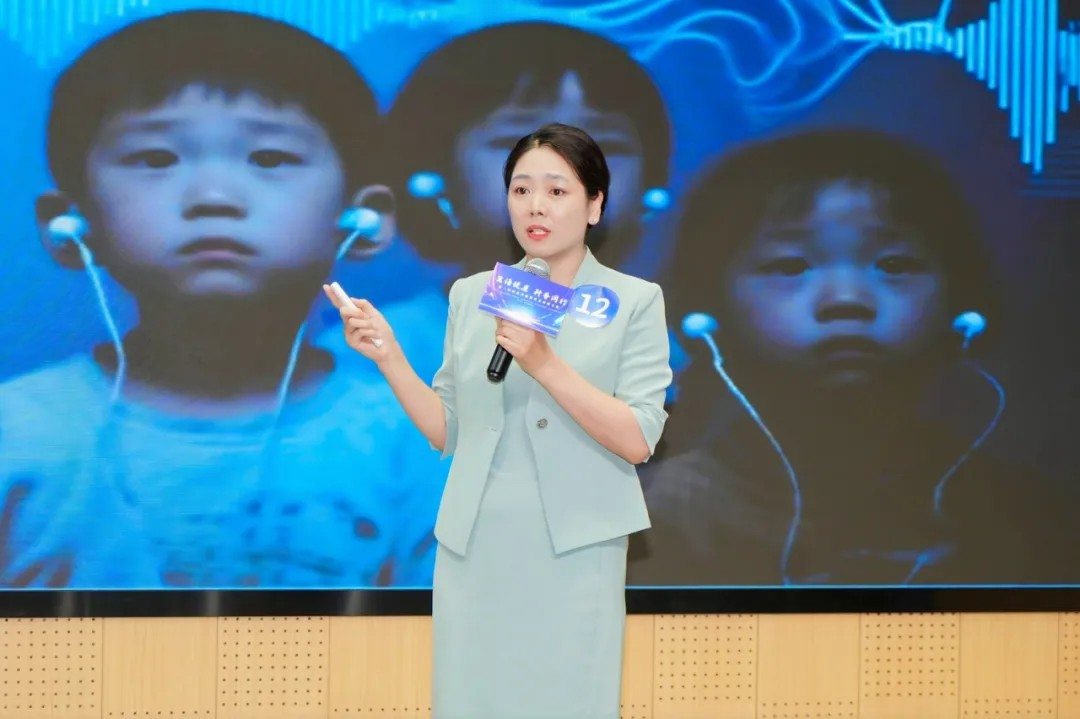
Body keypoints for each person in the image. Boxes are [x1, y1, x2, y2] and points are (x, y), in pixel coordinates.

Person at [0, 10, 445, 589]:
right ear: (68, 224)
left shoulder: (414, 437)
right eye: (156, 159)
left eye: (271, 158)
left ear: (363, 220)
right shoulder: (16, 431)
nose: (214, 196)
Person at [326, 123, 672, 718]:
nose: (536, 206)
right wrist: (390, 357)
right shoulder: (472, 294)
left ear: (595, 205)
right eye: (521, 189)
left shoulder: (633, 300)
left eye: (557, 191)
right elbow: (449, 431)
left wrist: (544, 364)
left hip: (576, 544)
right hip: (477, 541)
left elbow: (638, 439)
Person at [628, 128, 1074, 587]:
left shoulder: (1024, 510)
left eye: (894, 265)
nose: (846, 299)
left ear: (960, 295)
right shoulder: (661, 510)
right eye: (790, 266)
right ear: (708, 301)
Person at [384, 21, 672, 281]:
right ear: (439, 173)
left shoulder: (654, 324)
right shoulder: (386, 325)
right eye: (519, 142)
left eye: (604, 145)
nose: (566, 167)